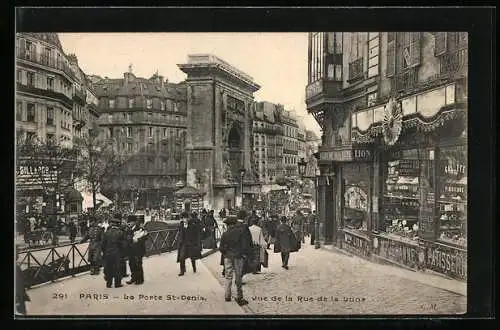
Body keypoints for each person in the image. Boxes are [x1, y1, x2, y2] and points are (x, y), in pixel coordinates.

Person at [219, 215, 252, 306]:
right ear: (235, 223)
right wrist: (244, 254)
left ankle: (227, 295)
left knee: (228, 276)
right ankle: (239, 296)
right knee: (238, 276)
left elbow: (221, 248)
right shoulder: (241, 232)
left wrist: (226, 253)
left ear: (228, 225)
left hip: (228, 257)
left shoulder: (225, 234)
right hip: (238, 257)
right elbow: (245, 245)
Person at [101, 218, 126, 288]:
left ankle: (108, 284)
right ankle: (117, 283)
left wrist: (104, 252)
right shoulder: (120, 232)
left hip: (108, 253)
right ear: (118, 224)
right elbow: (123, 245)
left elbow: (103, 244)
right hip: (117, 253)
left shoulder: (107, 232)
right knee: (117, 268)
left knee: (109, 268)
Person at [177, 212, 202, 276]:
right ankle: (182, 271)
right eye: (183, 218)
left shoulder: (192, 225)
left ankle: (194, 268)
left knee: (192, 257)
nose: (184, 219)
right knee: (182, 257)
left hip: (191, 243)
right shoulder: (181, 224)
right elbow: (180, 233)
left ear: (188, 218)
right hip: (183, 244)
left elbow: (195, 234)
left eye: (185, 218)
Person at [126, 216, 148, 285]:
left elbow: (146, 236)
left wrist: (138, 239)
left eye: (130, 222)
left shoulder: (140, 228)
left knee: (138, 264)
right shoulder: (128, 229)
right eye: (128, 222)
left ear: (134, 222)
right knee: (131, 264)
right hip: (130, 249)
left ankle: (140, 279)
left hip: (138, 249)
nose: (129, 223)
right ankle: (133, 278)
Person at [15, 246, 30, 315]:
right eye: (17, 252)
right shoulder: (16, 268)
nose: (18, 254)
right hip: (18, 299)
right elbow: (19, 286)